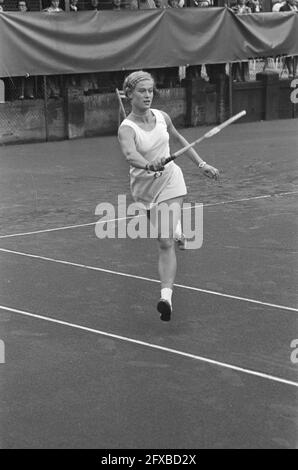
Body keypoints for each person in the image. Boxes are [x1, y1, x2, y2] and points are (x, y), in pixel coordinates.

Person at [118, 71, 219, 321]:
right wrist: (149, 165)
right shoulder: (126, 128)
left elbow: (179, 139)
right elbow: (131, 156)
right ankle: (177, 227)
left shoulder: (162, 117)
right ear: (129, 94)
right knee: (166, 232)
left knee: (164, 242)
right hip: (144, 190)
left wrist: (201, 163)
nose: (148, 95)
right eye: (142, 91)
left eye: (151, 90)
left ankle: (166, 298)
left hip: (171, 179)